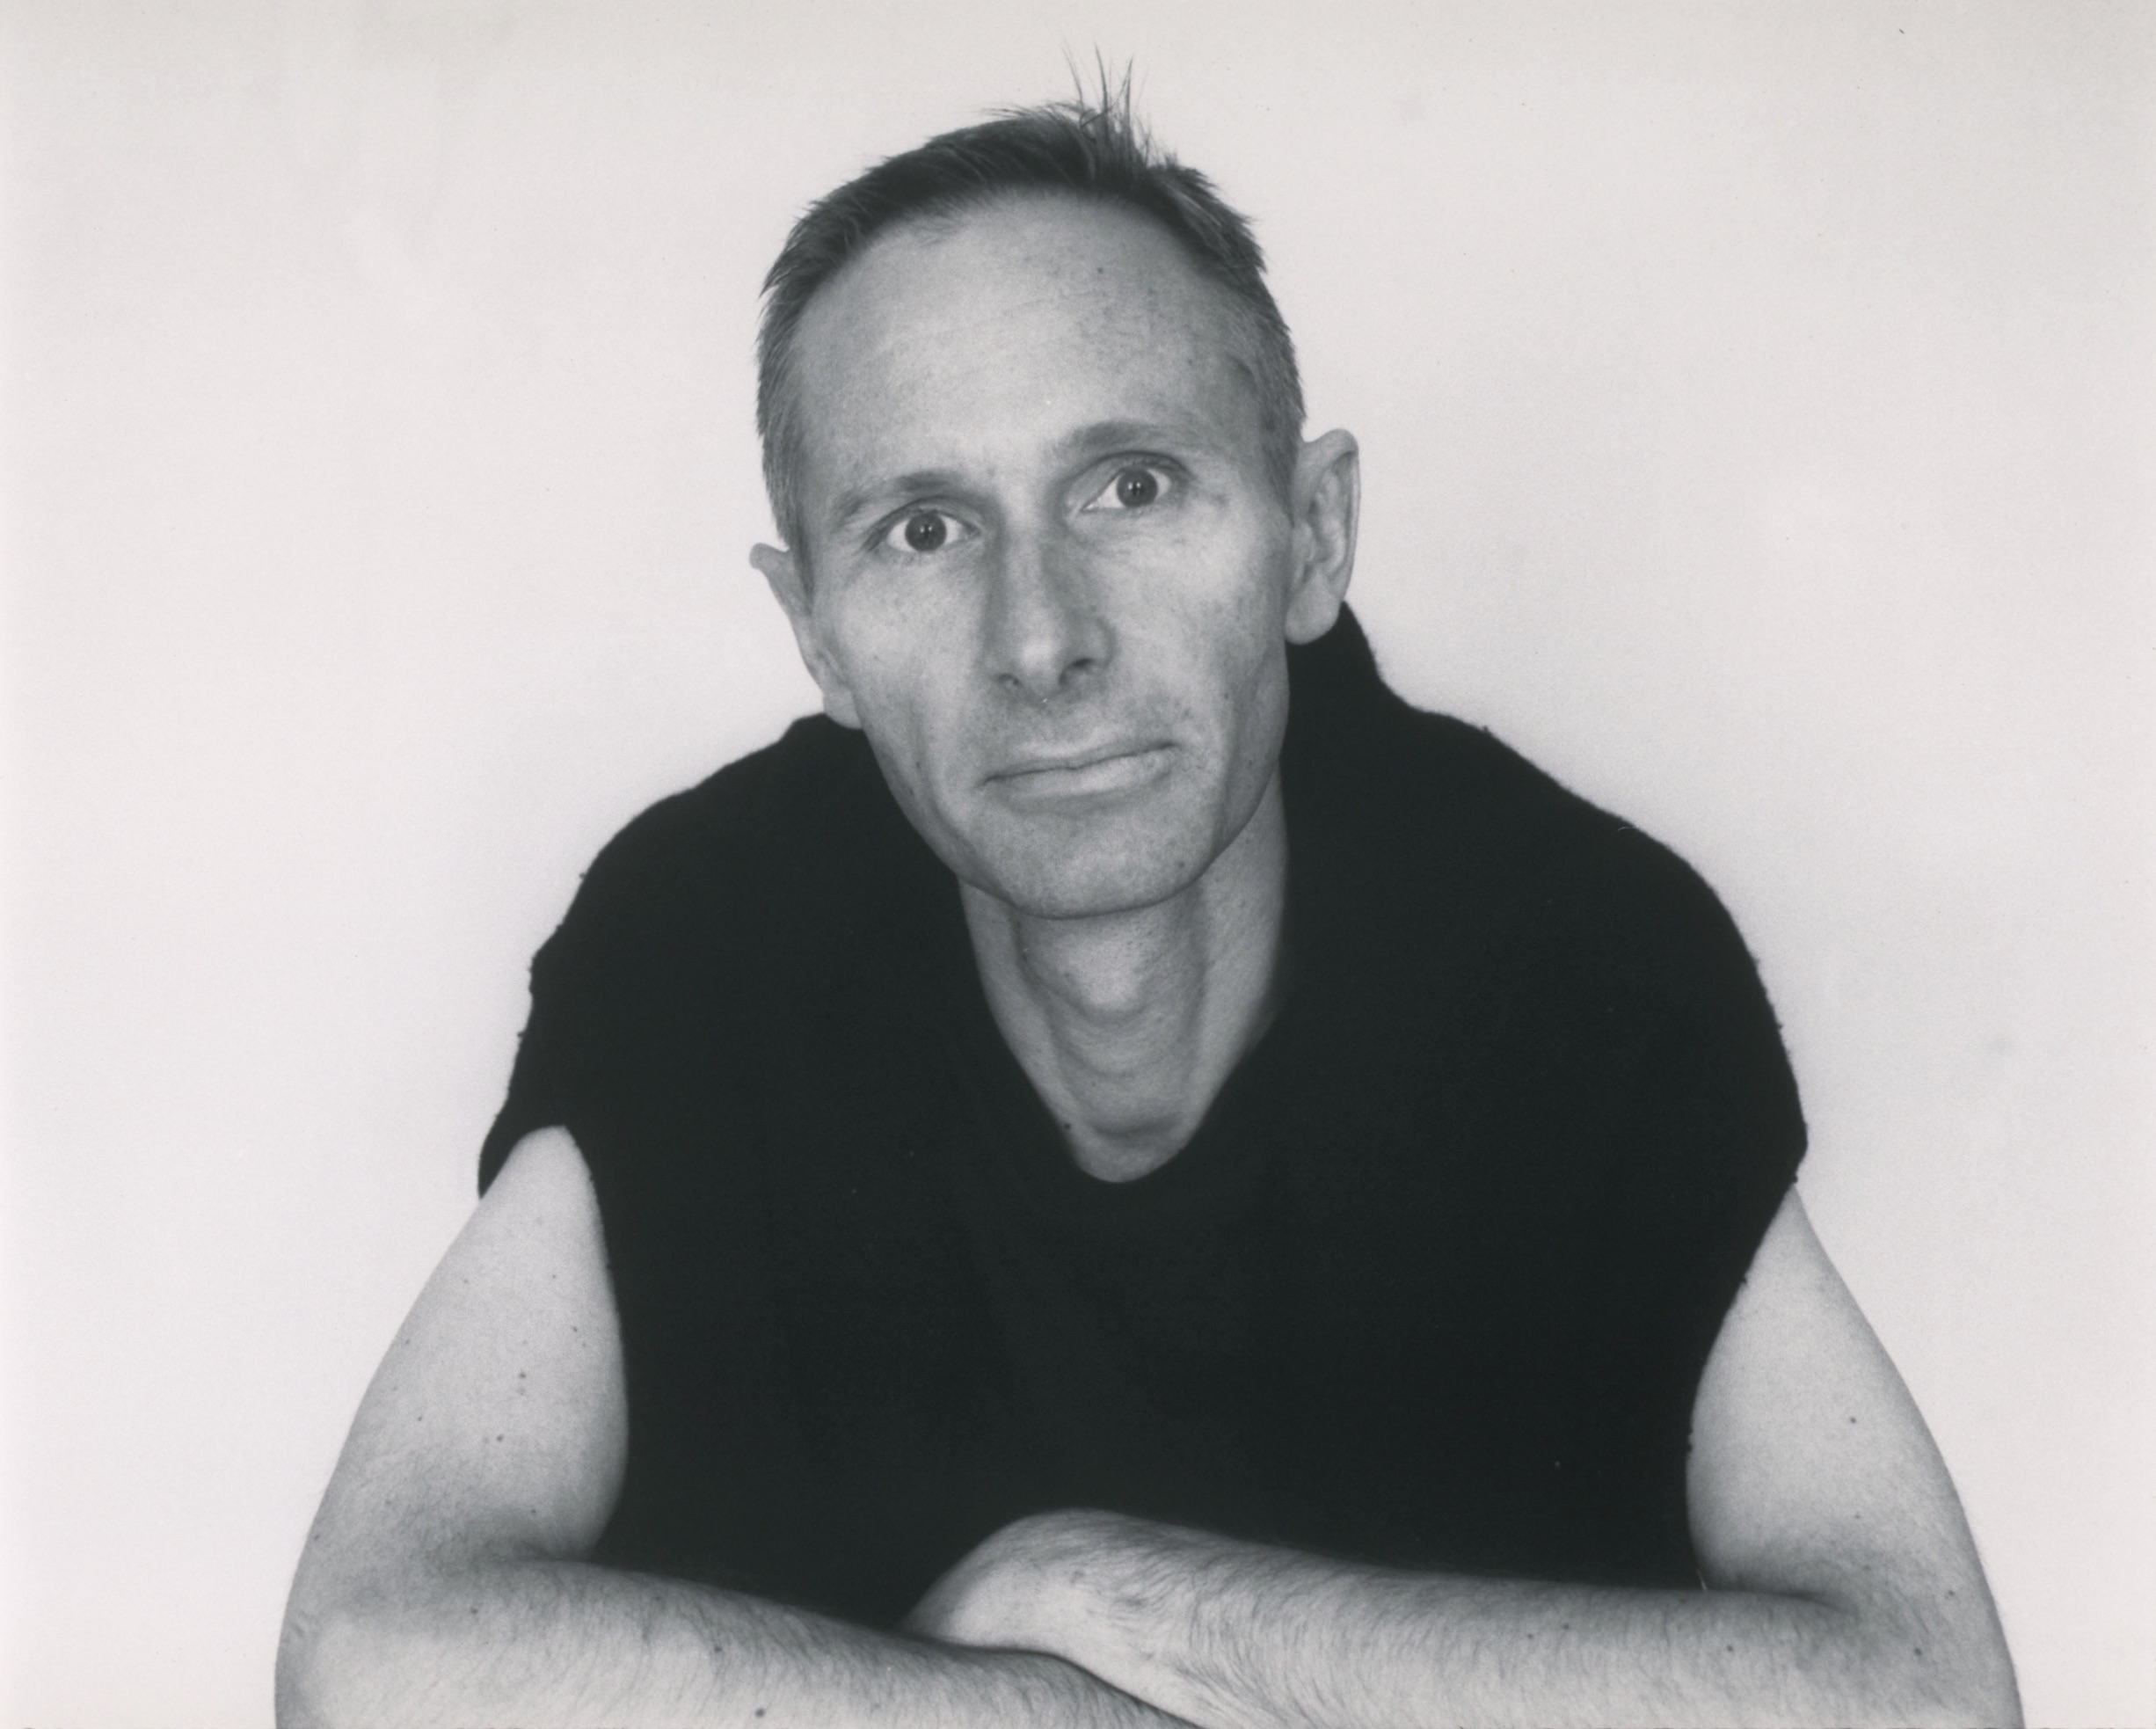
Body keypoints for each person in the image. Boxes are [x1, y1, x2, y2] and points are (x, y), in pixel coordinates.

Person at [277, 92, 2019, 1728]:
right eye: (924, 528)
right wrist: (1033, 1703)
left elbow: (1924, 1693)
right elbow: (368, 1657)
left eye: (1128, 487)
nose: (1040, 639)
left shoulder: (1552, 943)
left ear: (1310, 535)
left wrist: (1112, 1591)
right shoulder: (710, 929)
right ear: (809, 627)